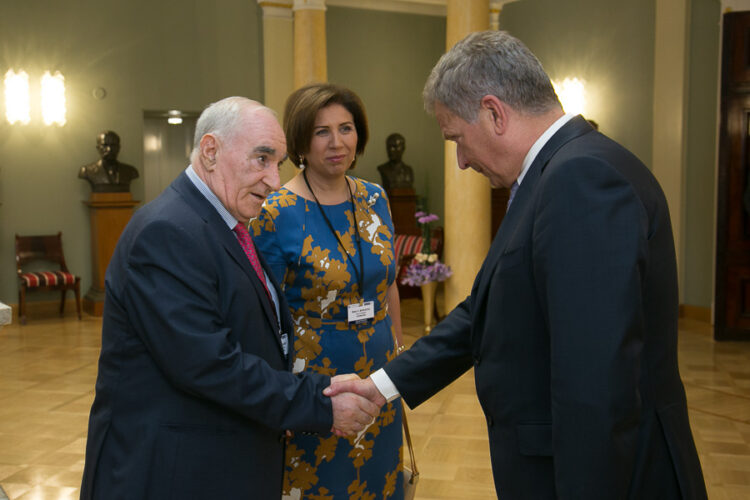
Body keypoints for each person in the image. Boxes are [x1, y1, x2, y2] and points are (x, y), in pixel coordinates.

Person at [327, 31, 708, 499]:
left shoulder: (580, 179)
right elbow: (484, 310)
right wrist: (381, 385)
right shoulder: (554, 174)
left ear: (493, 113)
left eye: (457, 140)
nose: (462, 161)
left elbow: (595, 384)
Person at [80, 97, 380, 500]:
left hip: (217, 459)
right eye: (261, 159)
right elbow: (208, 365)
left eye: (279, 163)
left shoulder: (224, 223)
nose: (274, 180)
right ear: (210, 151)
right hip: (170, 473)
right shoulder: (167, 233)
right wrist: (318, 404)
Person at [252, 83, 405, 499]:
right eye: (322, 131)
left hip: (378, 373)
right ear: (301, 141)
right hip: (316, 380)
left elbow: (387, 279)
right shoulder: (276, 211)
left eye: (346, 128)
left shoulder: (375, 198)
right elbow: (264, 311)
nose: (337, 142)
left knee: (379, 481)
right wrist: (278, 395)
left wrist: (397, 347)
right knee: (325, 484)